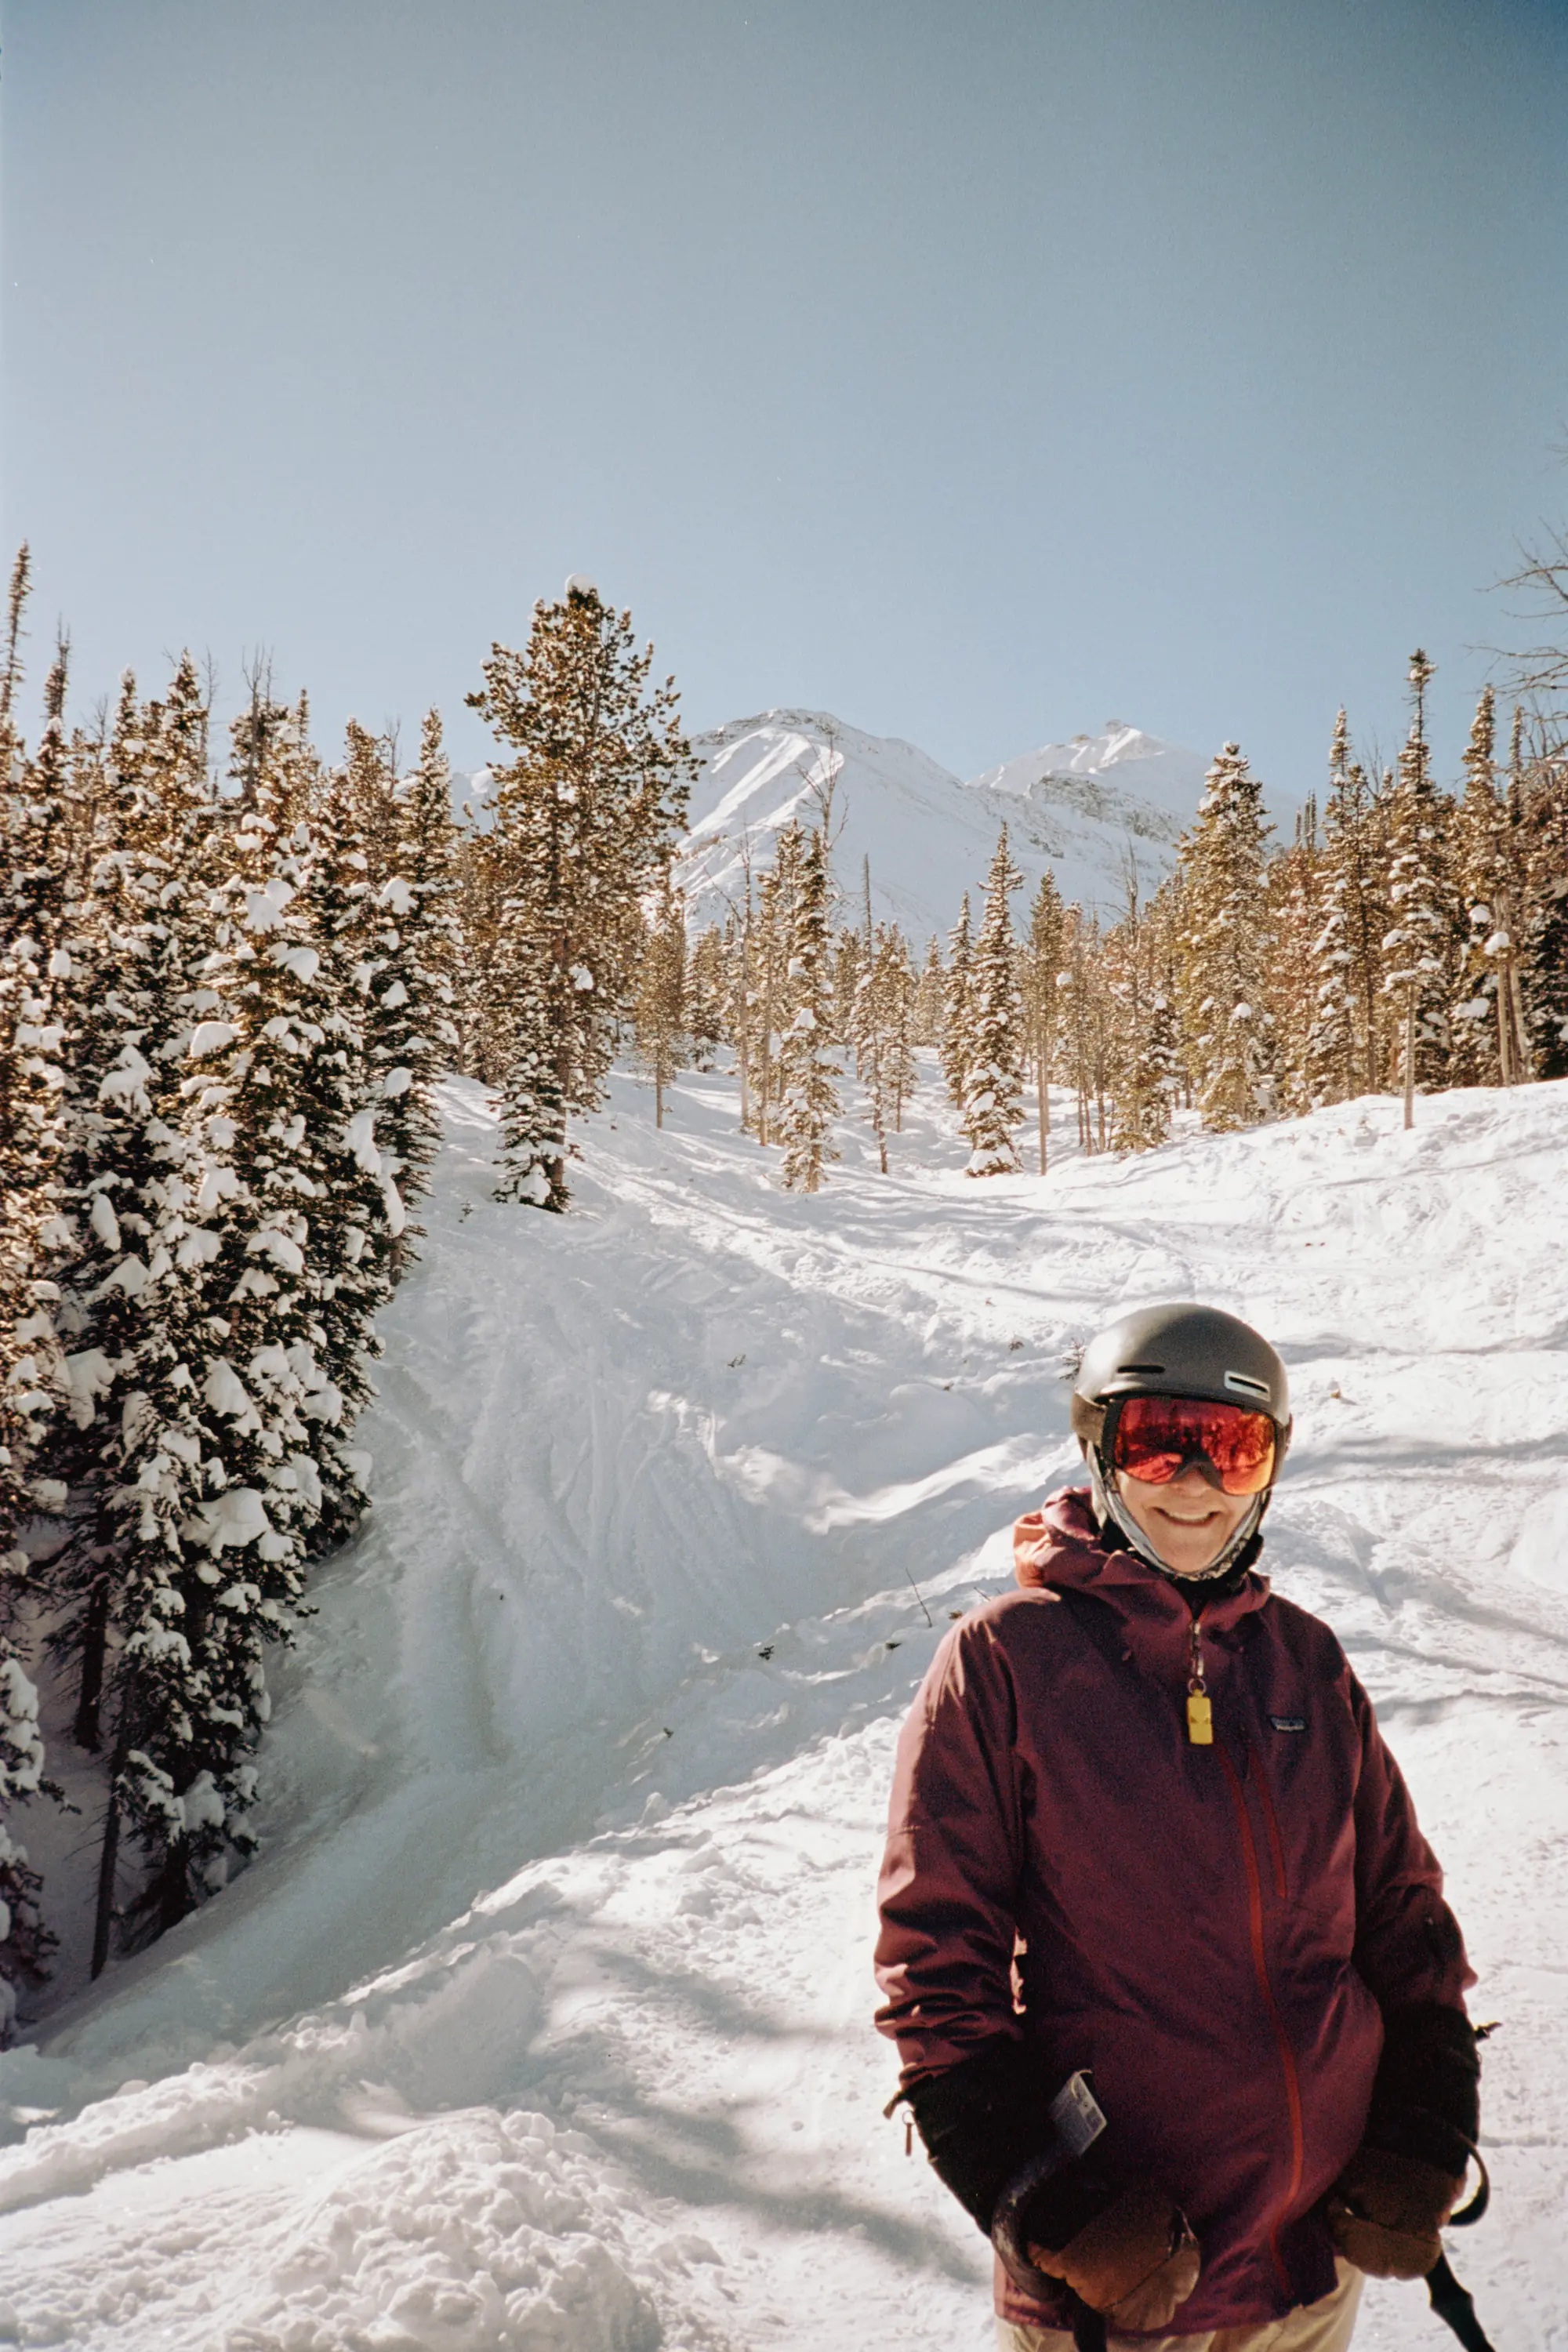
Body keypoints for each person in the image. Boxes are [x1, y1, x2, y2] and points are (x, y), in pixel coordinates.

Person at [874, 1303, 1481, 2352]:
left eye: (1231, 1451)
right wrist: (1047, 2204)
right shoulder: (1008, 1662)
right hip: (1125, 2289)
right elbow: (937, 1980)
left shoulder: (1306, 1662)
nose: (1195, 1485)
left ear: (1269, 1469)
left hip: (1310, 2270)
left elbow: (1401, 1915)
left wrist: (1429, 2119)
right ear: (1104, 1452)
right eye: (1161, 1444)